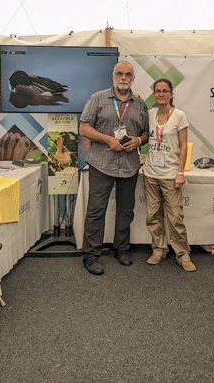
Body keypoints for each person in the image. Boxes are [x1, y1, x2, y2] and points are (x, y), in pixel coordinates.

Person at [79, 60, 149, 275]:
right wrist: (108, 140)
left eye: (128, 74)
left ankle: (122, 249)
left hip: (129, 165)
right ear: (113, 76)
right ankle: (91, 255)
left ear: (133, 79)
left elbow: (146, 133)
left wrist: (138, 140)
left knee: (126, 210)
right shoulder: (97, 99)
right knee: (96, 211)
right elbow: (84, 128)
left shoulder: (140, 104)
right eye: (120, 73)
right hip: (102, 163)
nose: (124, 78)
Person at [143, 79, 195, 272]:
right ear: (154, 94)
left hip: (170, 175)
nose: (161, 94)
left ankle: (182, 254)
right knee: (153, 215)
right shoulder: (149, 114)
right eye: (158, 91)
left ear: (171, 94)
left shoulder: (179, 116)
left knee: (175, 218)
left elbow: (183, 147)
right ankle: (158, 249)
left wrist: (180, 172)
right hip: (150, 173)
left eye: (165, 91)